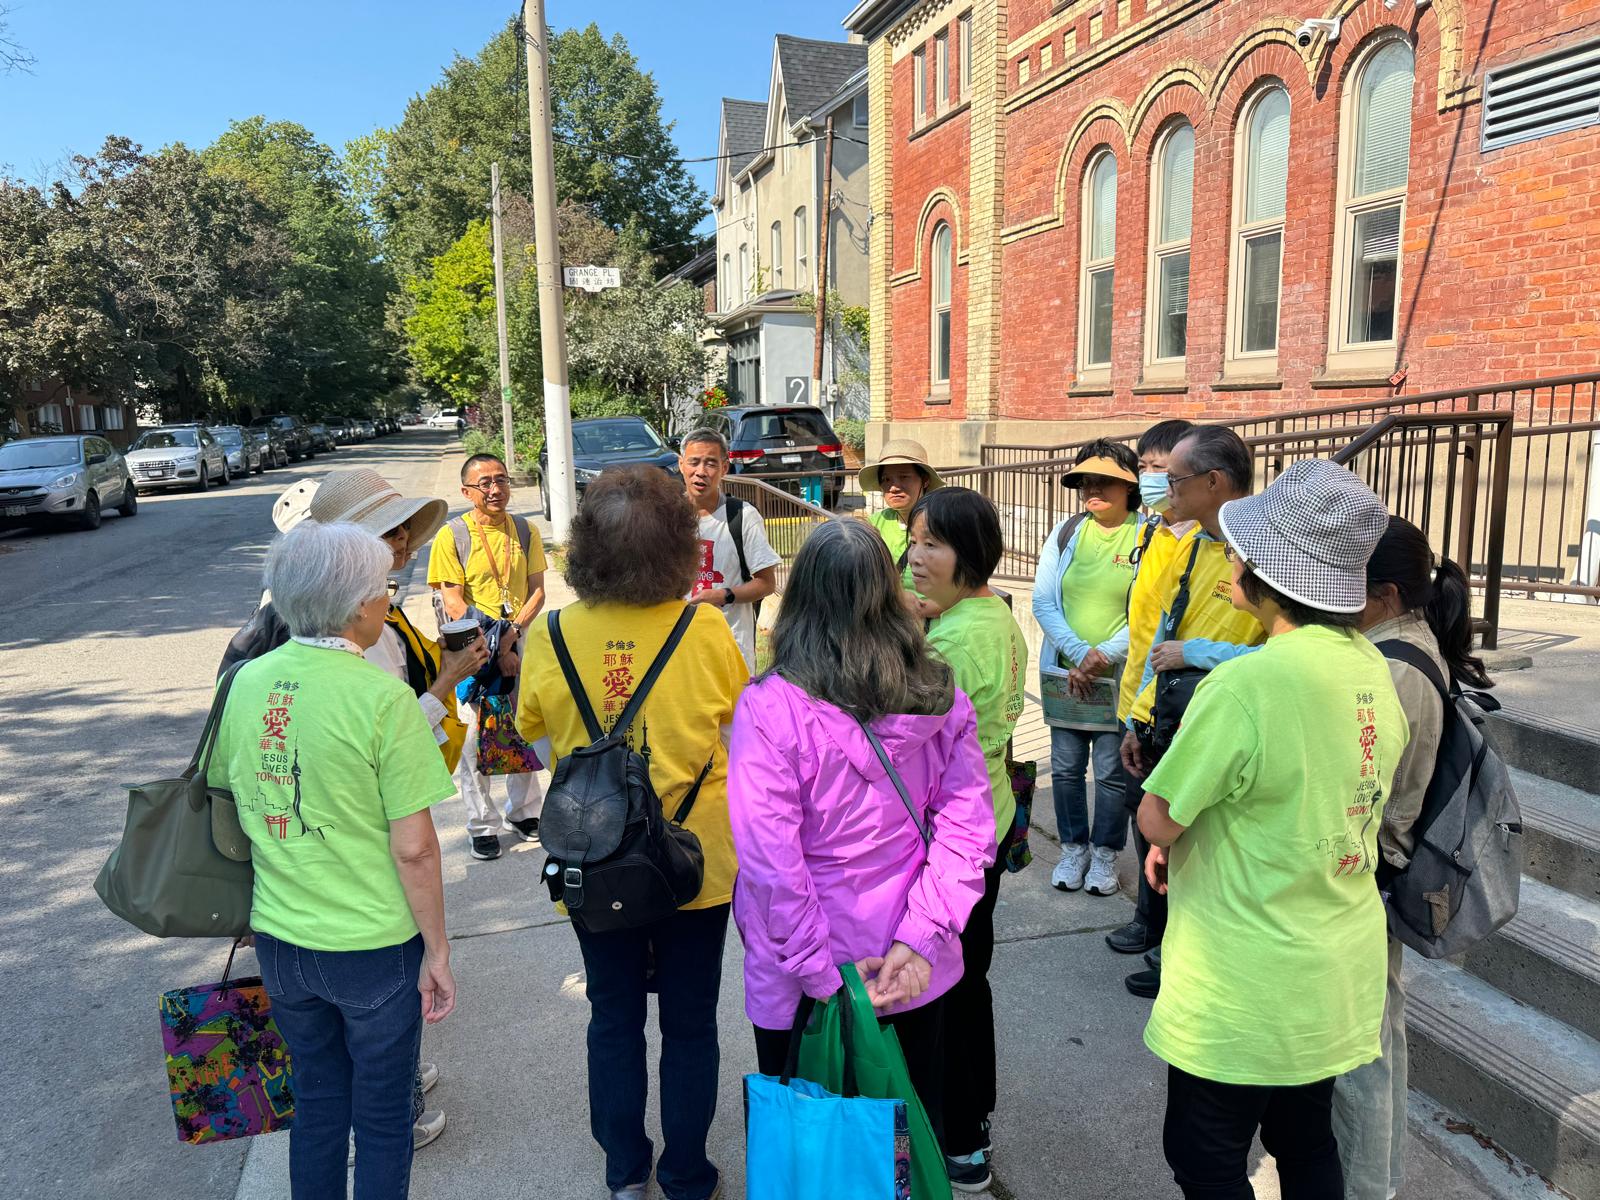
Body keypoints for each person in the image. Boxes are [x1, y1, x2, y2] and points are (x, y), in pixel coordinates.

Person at [1136, 459, 1405, 1200]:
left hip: (1243, 981)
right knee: (1305, 1141)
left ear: (1264, 574)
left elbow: (1159, 814)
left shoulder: (1246, 684)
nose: (1230, 559)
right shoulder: (1371, 665)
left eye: (1238, 550)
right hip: (1330, 968)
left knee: (1205, 1159)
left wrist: (1165, 839)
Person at [221, 467, 484, 1150]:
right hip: (370, 931)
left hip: (282, 929)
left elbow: (238, 795)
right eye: (387, 540)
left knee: (316, 1104)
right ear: (352, 589)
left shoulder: (250, 679)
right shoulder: (374, 689)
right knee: (382, 1116)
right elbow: (414, 847)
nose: (400, 550)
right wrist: (437, 949)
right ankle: (401, 1098)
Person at [514, 466, 747, 1200]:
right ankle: (686, 1175)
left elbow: (535, 739)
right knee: (690, 1023)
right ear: (679, 546)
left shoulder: (552, 634)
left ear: (584, 547)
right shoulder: (704, 628)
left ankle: (623, 1172)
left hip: (593, 858)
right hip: (693, 862)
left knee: (612, 1016)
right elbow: (738, 732)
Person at [730, 518, 995, 1153]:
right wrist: (921, 940)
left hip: (805, 975)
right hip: (910, 965)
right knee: (903, 1143)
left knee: (814, 1151)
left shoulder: (769, 708)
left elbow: (771, 861)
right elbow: (966, 833)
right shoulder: (939, 697)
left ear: (802, 598)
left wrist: (822, 975)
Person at [1332, 518, 1494, 1200]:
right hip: (1382, 872)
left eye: (1350, 583)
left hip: (1371, 875)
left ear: (1388, 593)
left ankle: (1366, 1187)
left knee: (1359, 1056)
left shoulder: (1395, 667)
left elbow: (1375, 789)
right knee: (1377, 1039)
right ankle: (1380, 1181)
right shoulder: (1403, 644)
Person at [1118, 426, 1265, 999]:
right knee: (1158, 836)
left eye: (1174, 478)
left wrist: (1199, 653)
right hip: (1169, 717)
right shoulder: (1190, 543)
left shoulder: (1261, 553)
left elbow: (1285, 654)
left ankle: (1185, 964)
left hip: (1220, 725)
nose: (1162, 488)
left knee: (1199, 852)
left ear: (1214, 482)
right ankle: (1161, 941)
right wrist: (1139, 716)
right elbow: (1164, 634)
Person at [908, 487, 1027, 1192]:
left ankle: (956, 1136)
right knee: (969, 981)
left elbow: (897, 736)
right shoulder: (993, 617)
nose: (916, 558)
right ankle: (970, 1126)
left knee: (945, 991)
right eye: (913, 541)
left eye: (934, 544)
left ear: (972, 554)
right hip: (991, 819)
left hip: (951, 841)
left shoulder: (953, 643)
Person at [1031, 439, 1143, 897]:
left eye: (1104, 480)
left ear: (1129, 485)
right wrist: (1081, 655)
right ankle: (1073, 848)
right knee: (1065, 768)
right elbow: (1042, 600)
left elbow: (1151, 612)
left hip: (1117, 679)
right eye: (1085, 480)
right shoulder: (1066, 532)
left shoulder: (1148, 537)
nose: (1092, 489)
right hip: (1068, 676)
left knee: (1111, 772)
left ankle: (1104, 854)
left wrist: (1103, 657)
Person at [427, 452, 547, 861]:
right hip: (471, 648)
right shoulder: (453, 536)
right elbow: (454, 603)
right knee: (473, 737)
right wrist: (496, 648)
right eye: (485, 483)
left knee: (523, 725)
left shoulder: (526, 531)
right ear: (467, 492)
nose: (496, 489)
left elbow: (537, 592)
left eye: (501, 479)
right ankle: (482, 825)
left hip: (518, 640)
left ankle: (524, 812)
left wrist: (511, 638)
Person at [1104, 419, 1194, 958]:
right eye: (1144, 466)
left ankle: (1169, 935)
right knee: (1140, 813)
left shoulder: (1202, 544)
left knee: (1168, 823)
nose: (1150, 478)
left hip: (1169, 703)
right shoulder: (1152, 531)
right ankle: (1148, 918)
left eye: (1161, 468)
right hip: (1136, 696)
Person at [679, 428, 781, 673]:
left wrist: (724, 595)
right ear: (681, 465)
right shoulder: (664, 516)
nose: (701, 471)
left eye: (711, 463)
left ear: (724, 468)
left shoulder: (743, 516)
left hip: (732, 652)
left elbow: (766, 583)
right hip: (678, 650)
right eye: (694, 462)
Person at [858, 438, 944, 605]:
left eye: (904, 477)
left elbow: (964, 586)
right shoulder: (873, 525)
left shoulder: (943, 523)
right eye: (886, 480)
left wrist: (924, 608)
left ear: (925, 480)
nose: (894, 487)